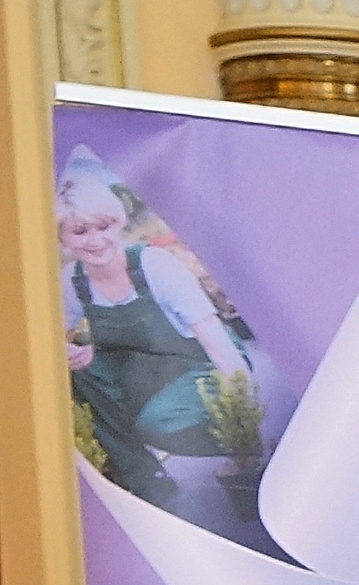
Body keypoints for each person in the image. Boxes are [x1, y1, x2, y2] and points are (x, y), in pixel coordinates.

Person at [59, 157, 256, 506]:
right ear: (62, 237)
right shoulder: (72, 282)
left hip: (202, 365)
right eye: (80, 231)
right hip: (145, 373)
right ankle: (147, 480)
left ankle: (249, 450)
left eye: (103, 226)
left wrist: (243, 411)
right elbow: (55, 338)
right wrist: (74, 351)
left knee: (157, 423)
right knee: (78, 374)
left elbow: (215, 340)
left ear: (118, 222)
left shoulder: (155, 266)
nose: (96, 240)